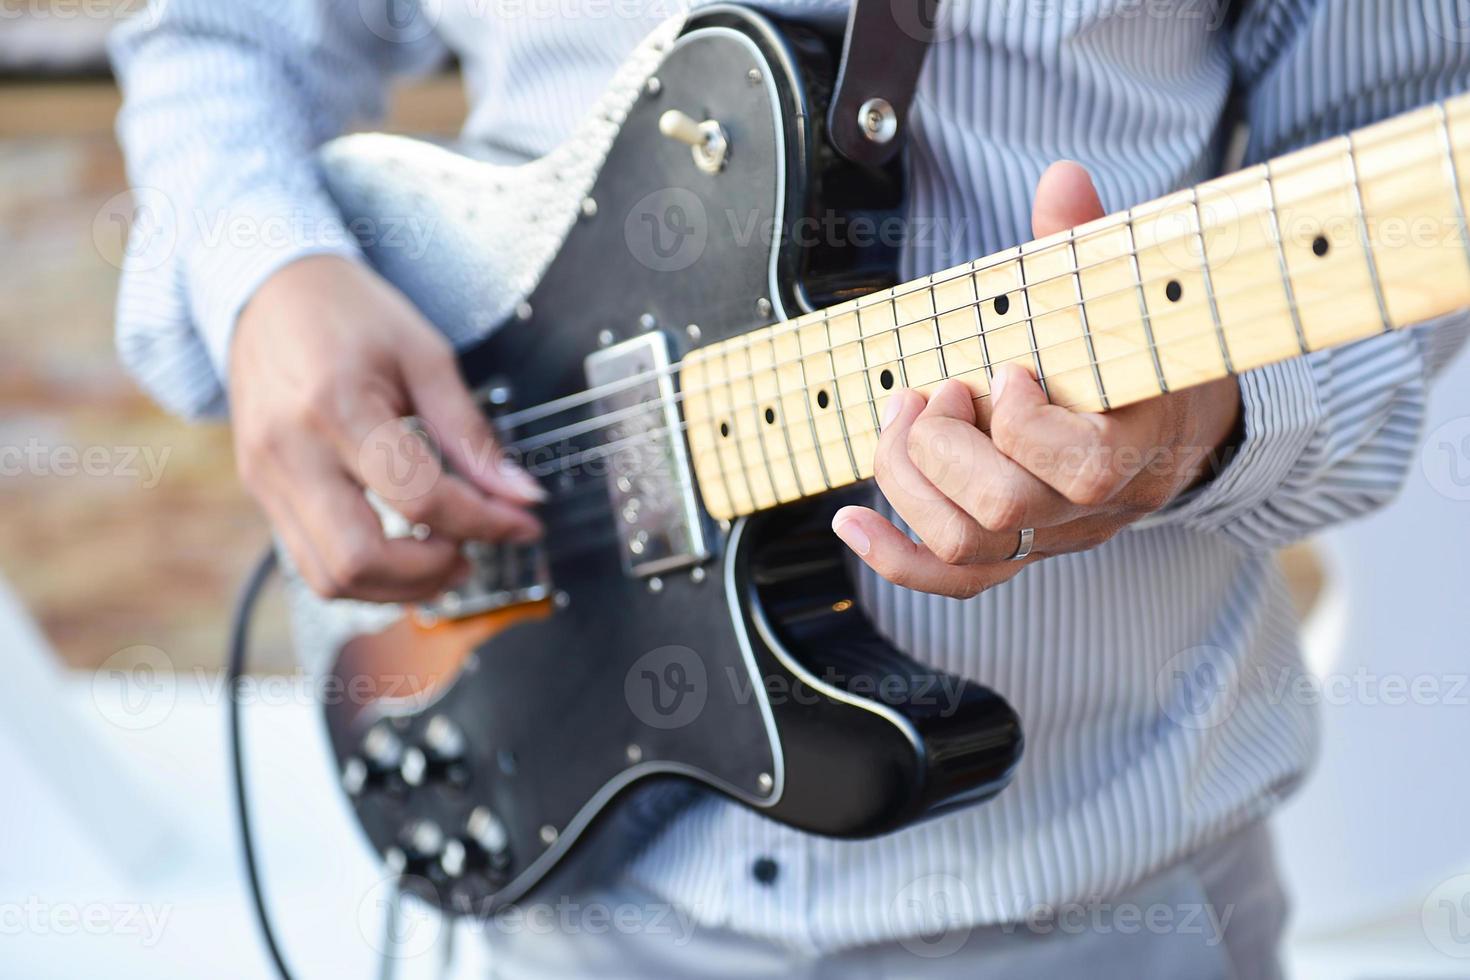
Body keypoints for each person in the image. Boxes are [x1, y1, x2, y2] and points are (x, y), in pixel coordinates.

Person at [109, 1, 1469, 975]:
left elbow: (1391, 200)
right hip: (557, 899)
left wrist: (1200, 426)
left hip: (1091, 900)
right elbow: (218, 40)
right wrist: (264, 282)